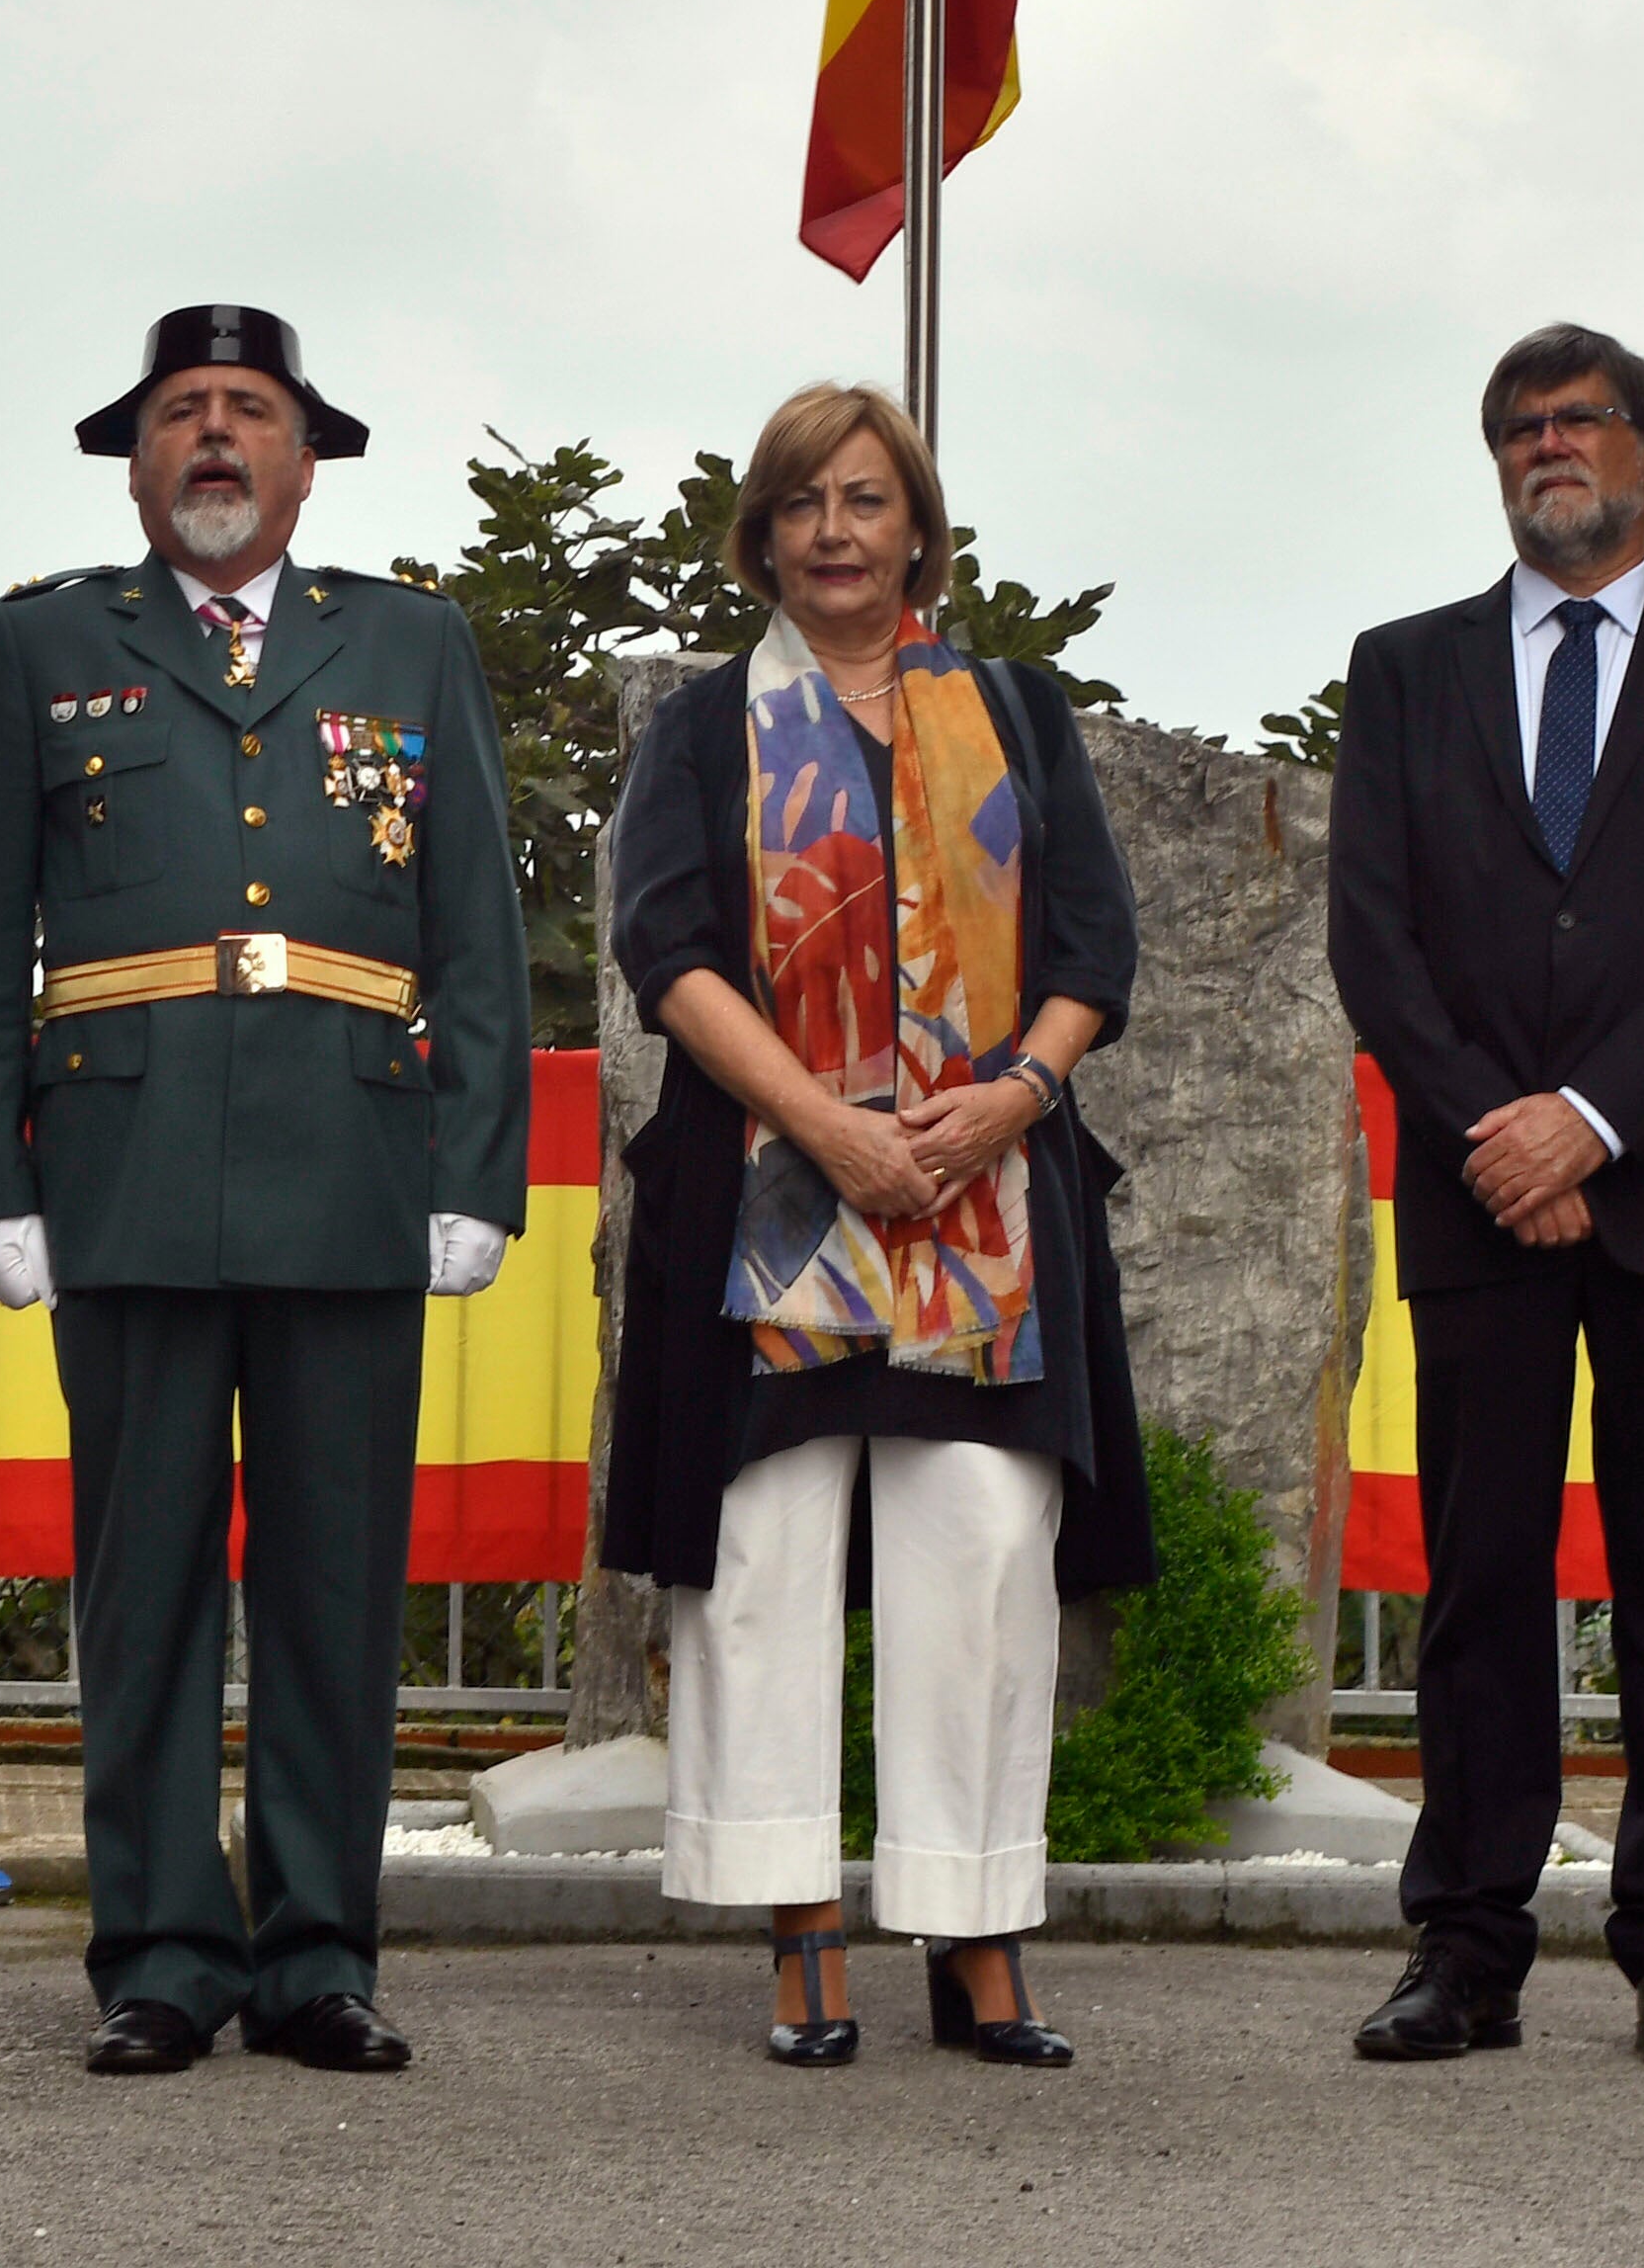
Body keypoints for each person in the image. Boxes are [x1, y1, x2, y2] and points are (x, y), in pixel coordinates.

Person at [0, 306, 531, 2076]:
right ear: (134, 460)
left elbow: (473, 924)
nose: (211, 437)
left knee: (337, 1587)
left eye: (245, 411)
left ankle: (325, 1954)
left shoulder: (406, 646)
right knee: (150, 1582)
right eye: (180, 411)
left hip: (351, 1164)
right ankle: (166, 1961)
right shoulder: (41, 647)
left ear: (305, 457)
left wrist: (473, 1162)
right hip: (122, 1170)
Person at [600, 382, 1146, 2070]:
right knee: (763, 1565)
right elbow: (670, 951)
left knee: (980, 1551)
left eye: (864, 500)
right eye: (801, 506)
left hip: (984, 1201)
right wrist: (826, 1127)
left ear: (917, 525)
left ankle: (972, 1926)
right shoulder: (705, 731)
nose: (835, 531)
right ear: (760, 536)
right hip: (770, 1198)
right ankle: (798, 1926)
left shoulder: (1016, 712)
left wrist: (1013, 1100)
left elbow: (1091, 951)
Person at [1326, 323, 1644, 2074]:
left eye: (1582, 422)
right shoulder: (1404, 670)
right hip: (1477, 1201)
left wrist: (1592, 1122)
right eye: (1522, 429)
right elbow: (1371, 942)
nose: (1552, 448)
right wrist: (1501, 1133)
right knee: (1479, 1582)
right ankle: (1464, 1949)